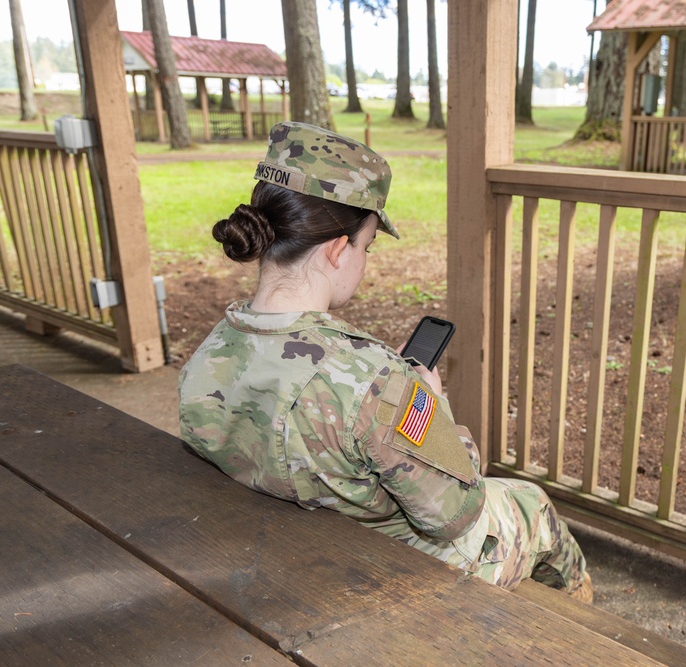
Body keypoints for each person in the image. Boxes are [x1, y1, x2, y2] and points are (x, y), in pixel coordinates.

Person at [178, 121, 593, 602]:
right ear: (338, 248)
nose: (365, 259)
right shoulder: (375, 382)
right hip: (387, 571)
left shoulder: (208, 354)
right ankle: (584, 621)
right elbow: (455, 512)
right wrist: (433, 408)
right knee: (533, 505)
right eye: (367, 245)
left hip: (285, 540)